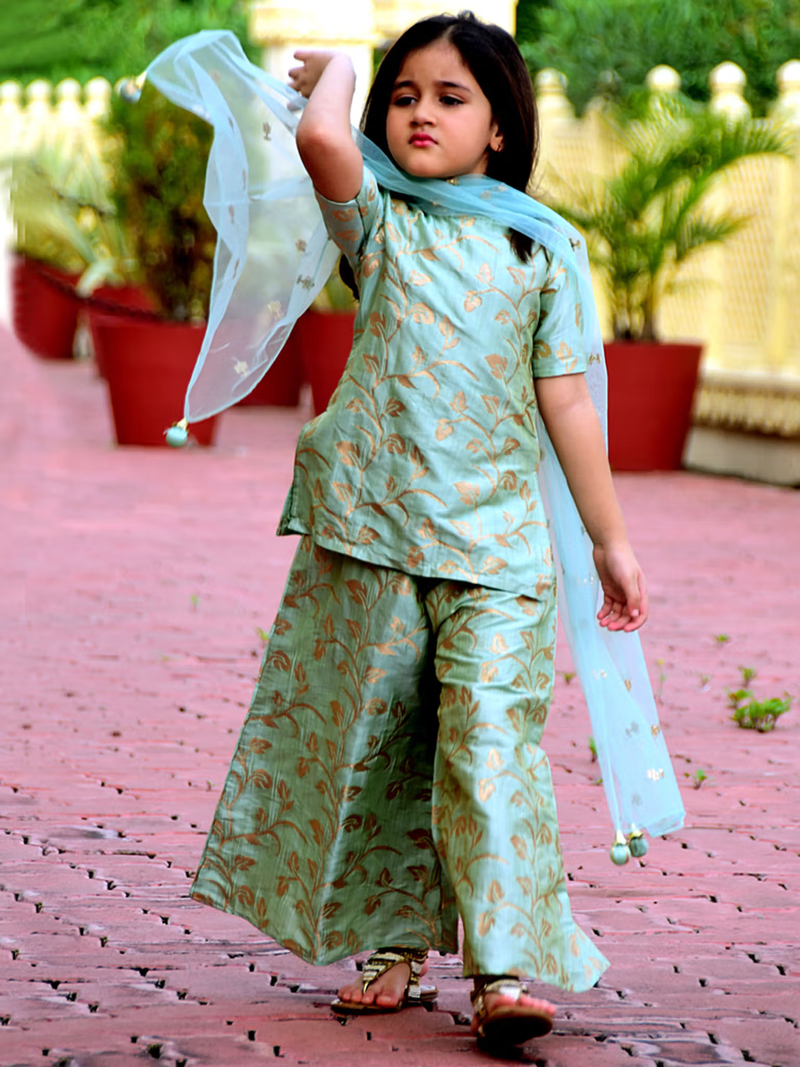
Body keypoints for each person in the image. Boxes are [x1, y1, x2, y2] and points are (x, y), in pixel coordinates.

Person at [186, 11, 656, 1051]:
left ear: (499, 126)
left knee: (490, 748)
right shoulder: (381, 222)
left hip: (497, 551)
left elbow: (566, 403)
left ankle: (499, 969)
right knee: (379, 743)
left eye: (449, 98)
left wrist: (607, 538)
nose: (418, 115)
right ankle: (391, 939)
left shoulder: (536, 245)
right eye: (401, 98)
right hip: (377, 532)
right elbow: (319, 140)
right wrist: (340, 71)